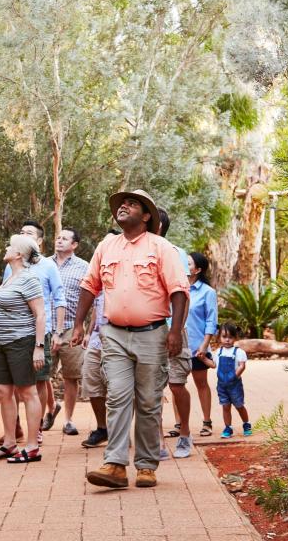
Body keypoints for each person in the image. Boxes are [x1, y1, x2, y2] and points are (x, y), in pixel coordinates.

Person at [71, 189, 188, 489]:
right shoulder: (106, 246)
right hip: (115, 335)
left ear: (146, 215)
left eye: (132, 204)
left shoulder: (161, 247)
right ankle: (115, 465)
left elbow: (178, 291)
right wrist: (78, 325)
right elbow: (89, 285)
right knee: (118, 397)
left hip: (152, 334)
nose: (123, 206)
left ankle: (147, 465)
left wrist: (175, 331)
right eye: (122, 204)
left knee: (148, 402)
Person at [0, 234, 46, 463]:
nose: (6, 247)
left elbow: (40, 314)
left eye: (10, 245)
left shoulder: (29, 279)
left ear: (19, 254)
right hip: (4, 343)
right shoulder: (10, 276)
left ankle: (32, 447)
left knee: (27, 392)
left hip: (22, 341)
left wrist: (38, 347)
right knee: (3, 391)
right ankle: (9, 443)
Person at [3, 220, 66, 443]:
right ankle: (16, 427)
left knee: (39, 381)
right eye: (21, 232)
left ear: (39, 241)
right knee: (12, 383)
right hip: (14, 334)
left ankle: (36, 428)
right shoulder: (10, 264)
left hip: (41, 332)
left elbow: (59, 299)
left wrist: (58, 332)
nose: (23, 235)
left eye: (28, 233)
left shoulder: (48, 266)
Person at [45, 226, 89, 436]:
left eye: (65, 239)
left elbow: (92, 297)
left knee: (71, 376)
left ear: (74, 245)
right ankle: (50, 408)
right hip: (45, 327)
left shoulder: (84, 267)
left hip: (72, 327)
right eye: (58, 237)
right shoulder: (43, 264)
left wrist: (86, 329)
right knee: (42, 373)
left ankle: (68, 421)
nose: (59, 241)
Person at [79, 230, 120, 449]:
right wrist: (87, 331)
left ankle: (118, 431)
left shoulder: (123, 273)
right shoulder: (99, 274)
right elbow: (96, 305)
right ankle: (102, 428)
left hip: (118, 338)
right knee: (92, 381)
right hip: (96, 338)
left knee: (117, 387)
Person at [157, 208, 193, 460]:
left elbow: (182, 293)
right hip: (146, 329)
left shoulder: (175, 253)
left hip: (172, 327)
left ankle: (185, 432)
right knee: (150, 388)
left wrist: (176, 330)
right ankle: (157, 440)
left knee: (177, 383)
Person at [186, 252, 219, 437]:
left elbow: (211, 321)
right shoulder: (178, 288)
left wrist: (204, 346)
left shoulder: (208, 292)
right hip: (178, 346)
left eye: (189, 263)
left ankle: (206, 422)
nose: (185, 265)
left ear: (197, 269)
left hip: (198, 346)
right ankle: (179, 424)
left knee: (201, 384)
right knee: (177, 385)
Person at [202, 321, 252, 438]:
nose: (227, 340)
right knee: (225, 406)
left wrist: (235, 376)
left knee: (239, 405)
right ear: (219, 337)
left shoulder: (239, 352)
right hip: (222, 385)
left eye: (230, 337)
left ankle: (246, 423)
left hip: (235, 385)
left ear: (235, 338)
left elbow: (242, 366)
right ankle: (228, 427)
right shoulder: (218, 352)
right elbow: (214, 365)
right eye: (224, 337)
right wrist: (203, 359)